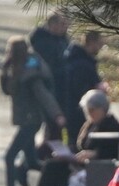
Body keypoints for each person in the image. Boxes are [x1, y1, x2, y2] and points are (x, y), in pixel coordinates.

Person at [0, 36, 65, 186]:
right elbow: (8, 90)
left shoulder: (31, 73)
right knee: (32, 161)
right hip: (26, 120)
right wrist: (4, 71)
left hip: (30, 122)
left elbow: (43, 95)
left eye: (10, 50)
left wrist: (57, 114)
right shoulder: (17, 69)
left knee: (9, 157)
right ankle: (61, 180)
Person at [62, 31, 108, 151]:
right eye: (99, 43)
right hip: (78, 113)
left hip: (74, 111)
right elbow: (79, 90)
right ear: (91, 42)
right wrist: (97, 89)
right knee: (77, 146)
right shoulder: (82, 64)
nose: (101, 47)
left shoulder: (80, 59)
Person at [28, 10, 70, 139]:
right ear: (53, 25)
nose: (66, 27)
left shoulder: (62, 39)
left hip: (60, 87)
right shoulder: (43, 42)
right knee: (48, 123)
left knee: (53, 126)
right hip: (48, 86)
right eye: (63, 24)